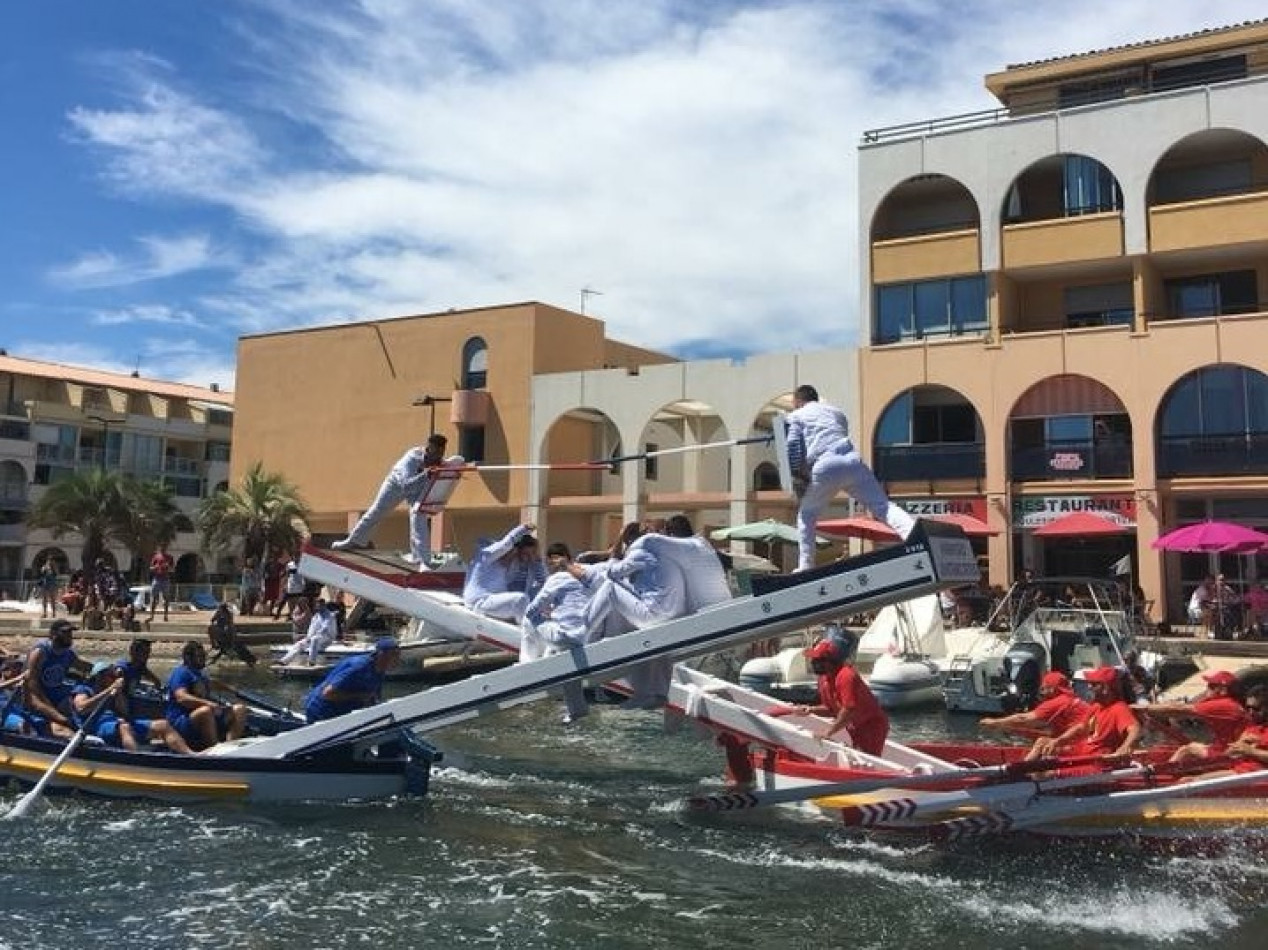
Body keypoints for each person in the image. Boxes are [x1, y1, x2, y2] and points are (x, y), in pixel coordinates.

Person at [784, 384, 915, 572]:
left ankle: (806, 566)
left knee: (807, 514)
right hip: (852, 461)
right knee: (882, 506)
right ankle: (913, 534)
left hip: (825, 464)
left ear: (798, 401)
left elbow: (793, 446)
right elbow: (839, 432)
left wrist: (798, 476)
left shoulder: (796, 416)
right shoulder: (836, 412)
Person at [332, 434, 462, 565]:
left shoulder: (438, 460)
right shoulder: (411, 459)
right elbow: (406, 486)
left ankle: (421, 558)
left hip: (417, 486)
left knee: (418, 514)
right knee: (376, 511)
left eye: (440, 454)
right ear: (428, 449)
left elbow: (447, 470)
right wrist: (426, 474)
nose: (437, 459)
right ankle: (353, 541)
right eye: (435, 454)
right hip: (396, 485)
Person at [767, 634, 888, 756]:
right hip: (853, 725)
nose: (814, 663)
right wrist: (810, 709)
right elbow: (831, 709)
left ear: (832, 661)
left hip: (870, 725)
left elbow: (849, 709)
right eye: (813, 659)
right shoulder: (824, 679)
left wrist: (828, 732)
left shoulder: (846, 676)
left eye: (819, 660)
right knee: (858, 753)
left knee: (866, 758)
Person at [520, 542, 595, 724]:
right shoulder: (584, 575)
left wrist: (545, 613)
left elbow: (532, 609)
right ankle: (577, 710)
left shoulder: (556, 579)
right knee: (567, 662)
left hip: (565, 637)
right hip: (587, 635)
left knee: (529, 619)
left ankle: (526, 665)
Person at [1032, 665, 1141, 760]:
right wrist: (1057, 741)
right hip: (1083, 751)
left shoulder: (1119, 708)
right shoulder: (1096, 706)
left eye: (1093, 684)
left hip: (1096, 761)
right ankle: (1023, 771)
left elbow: (1135, 729)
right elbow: (1080, 728)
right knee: (1042, 742)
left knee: (1047, 772)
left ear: (1105, 688)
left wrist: (1125, 747)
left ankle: (1026, 773)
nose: (1089, 687)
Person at [1142, 669, 1248, 763]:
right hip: (1225, 748)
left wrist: (1144, 708)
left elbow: (1180, 709)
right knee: (1189, 747)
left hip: (1229, 754)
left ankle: (1161, 773)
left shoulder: (1224, 704)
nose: (1207, 689)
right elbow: (1179, 711)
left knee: (1187, 750)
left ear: (1223, 690)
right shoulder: (1228, 703)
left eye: (1211, 686)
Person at [980, 671, 1092, 753]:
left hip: (1081, 747)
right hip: (1085, 742)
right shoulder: (1071, 700)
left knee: (1041, 742)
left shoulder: (1057, 702)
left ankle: (1021, 773)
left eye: (1044, 688)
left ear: (1052, 689)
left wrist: (995, 722)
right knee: (1042, 740)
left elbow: (1024, 719)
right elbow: (1053, 733)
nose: (1041, 691)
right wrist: (1012, 729)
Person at [165, 641, 247, 752]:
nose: (204, 659)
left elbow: (211, 683)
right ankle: (215, 749)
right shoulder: (181, 673)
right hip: (181, 722)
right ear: (188, 658)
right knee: (205, 711)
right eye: (200, 656)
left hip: (202, 718)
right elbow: (181, 697)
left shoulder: (199, 674)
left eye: (204, 656)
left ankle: (230, 746)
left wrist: (233, 690)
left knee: (239, 709)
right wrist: (208, 703)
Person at [304, 637, 403, 722]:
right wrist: (360, 696)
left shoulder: (380, 670)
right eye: (394, 655)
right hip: (320, 712)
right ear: (381, 654)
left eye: (399, 655)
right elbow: (328, 693)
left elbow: (373, 697)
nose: (398, 659)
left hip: (342, 713)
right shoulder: (359, 667)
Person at [21, 617, 87, 739]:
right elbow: (32, 686)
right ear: (53, 634)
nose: (69, 636)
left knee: (77, 720)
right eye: (65, 632)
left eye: (70, 632)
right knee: (64, 722)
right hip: (37, 699)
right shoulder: (41, 652)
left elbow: (85, 669)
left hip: (57, 698)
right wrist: (52, 709)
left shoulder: (69, 654)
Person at [462, 524, 540, 624]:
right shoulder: (485, 557)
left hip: (491, 604)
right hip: (479, 602)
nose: (511, 558)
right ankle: (526, 631)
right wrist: (524, 528)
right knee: (521, 599)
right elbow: (505, 544)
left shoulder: (502, 570)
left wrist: (537, 561)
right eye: (510, 553)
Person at [275, 597, 338, 666]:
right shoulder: (316, 616)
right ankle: (284, 661)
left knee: (314, 639)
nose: (317, 607)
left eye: (319, 605)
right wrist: (308, 637)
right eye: (317, 605)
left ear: (323, 605)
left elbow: (324, 628)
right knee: (300, 644)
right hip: (317, 637)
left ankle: (311, 662)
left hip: (327, 637)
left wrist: (314, 636)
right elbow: (312, 628)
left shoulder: (329, 615)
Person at [207, 602, 258, 667]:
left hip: (229, 640)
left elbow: (231, 633)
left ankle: (250, 661)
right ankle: (250, 661)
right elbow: (213, 622)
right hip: (225, 640)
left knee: (238, 649)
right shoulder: (219, 619)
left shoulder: (227, 621)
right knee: (230, 649)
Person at [273, 553, 306, 620]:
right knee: (284, 601)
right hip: (291, 586)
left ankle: (294, 616)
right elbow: (287, 574)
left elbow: (303, 576)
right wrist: (284, 582)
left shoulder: (302, 565)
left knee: (298, 603)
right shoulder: (291, 564)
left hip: (299, 587)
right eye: (295, 557)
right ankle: (278, 614)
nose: (296, 558)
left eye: (297, 557)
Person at [147, 544, 174, 622]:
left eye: (164, 546)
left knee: (166, 599)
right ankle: (151, 616)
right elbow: (150, 567)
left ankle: (165, 616)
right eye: (161, 546)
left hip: (165, 579)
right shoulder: (156, 557)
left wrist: (168, 567)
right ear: (159, 547)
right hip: (157, 579)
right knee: (154, 598)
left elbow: (172, 569)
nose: (163, 548)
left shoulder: (169, 557)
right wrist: (155, 567)